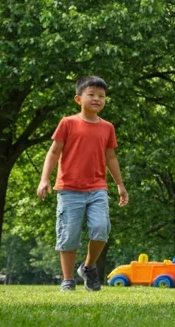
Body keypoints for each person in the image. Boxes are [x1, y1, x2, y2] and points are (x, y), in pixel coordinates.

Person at [36, 76, 129, 292]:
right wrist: (44, 179)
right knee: (69, 235)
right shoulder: (67, 123)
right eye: (92, 95)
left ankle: (87, 267)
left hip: (97, 188)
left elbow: (111, 158)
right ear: (78, 99)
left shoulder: (107, 127)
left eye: (101, 96)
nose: (97, 99)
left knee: (101, 228)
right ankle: (68, 279)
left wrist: (120, 185)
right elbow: (53, 152)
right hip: (69, 189)